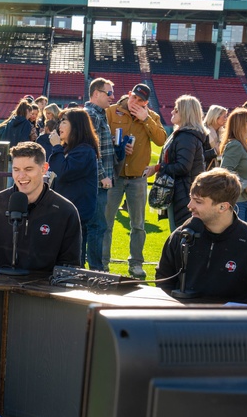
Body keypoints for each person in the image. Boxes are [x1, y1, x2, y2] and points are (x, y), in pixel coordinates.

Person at [155, 168, 247, 305]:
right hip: (184, 324)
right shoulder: (180, 237)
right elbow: (163, 283)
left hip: (233, 325)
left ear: (223, 207)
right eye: (191, 199)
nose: (190, 206)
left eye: (198, 201)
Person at [0, 142, 82, 272]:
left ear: (44, 169)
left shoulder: (66, 211)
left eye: (28, 169)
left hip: (44, 289)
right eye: (16, 170)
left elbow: (69, 263)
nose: (21, 176)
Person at [103, 83, 166, 279]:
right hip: (114, 177)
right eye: (134, 98)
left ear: (147, 103)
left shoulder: (152, 117)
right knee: (106, 223)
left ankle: (136, 264)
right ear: (128, 94)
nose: (136, 103)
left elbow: (161, 140)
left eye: (141, 101)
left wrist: (146, 119)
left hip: (138, 178)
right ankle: (102, 263)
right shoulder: (111, 112)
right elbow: (101, 139)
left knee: (138, 224)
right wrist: (117, 147)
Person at [48, 109, 100, 267]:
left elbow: (64, 171)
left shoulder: (84, 150)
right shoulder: (74, 149)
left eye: (64, 121)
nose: (59, 126)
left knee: (72, 258)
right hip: (67, 211)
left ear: (76, 126)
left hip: (75, 212)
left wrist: (56, 147)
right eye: (60, 121)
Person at [154, 94, 209, 230]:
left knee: (181, 234)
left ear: (186, 113)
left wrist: (158, 167)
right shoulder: (185, 135)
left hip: (184, 192)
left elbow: (183, 167)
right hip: (183, 191)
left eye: (176, 109)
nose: (172, 111)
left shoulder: (186, 136)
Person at [83, 78, 117, 271]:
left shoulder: (99, 114)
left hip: (99, 181)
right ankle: (97, 268)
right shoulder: (92, 115)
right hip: (96, 182)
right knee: (97, 226)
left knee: (94, 226)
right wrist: (102, 176)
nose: (113, 97)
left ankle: (91, 265)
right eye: (109, 93)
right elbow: (90, 150)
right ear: (96, 93)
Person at [219, 107, 247, 223]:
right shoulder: (235, 145)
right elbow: (225, 172)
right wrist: (245, 186)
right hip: (238, 202)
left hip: (246, 201)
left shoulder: (246, 146)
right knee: (236, 238)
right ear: (241, 124)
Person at [203, 104, 228, 170]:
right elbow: (198, 156)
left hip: (218, 171)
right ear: (216, 117)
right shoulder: (203, 132)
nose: (226, 119)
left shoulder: (223, 132)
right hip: (204, 171)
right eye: (224, 116)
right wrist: (214, 151)